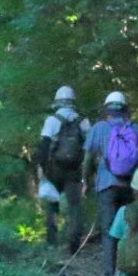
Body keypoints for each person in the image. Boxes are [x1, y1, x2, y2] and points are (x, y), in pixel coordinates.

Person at [83, 90, 138, 276]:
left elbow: (88, 158)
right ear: (125, 109)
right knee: (129, 227)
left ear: (107, 110)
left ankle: (110, 274)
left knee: (109, 230)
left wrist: (86, 180)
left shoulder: (98, 128)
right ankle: (129, 269)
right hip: (130, 185)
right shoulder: (135, 129)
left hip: (106, 186)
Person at [35, 85, 89, 257]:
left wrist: (41, 169)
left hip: (54, 169)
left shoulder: (52, 120)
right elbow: (89, 149)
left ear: (57, 101)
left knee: (51, 205)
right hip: (74, 170)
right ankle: (74, 245)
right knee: (75, 207)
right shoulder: (83, 121)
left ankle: (52, 242)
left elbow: (44, 148)